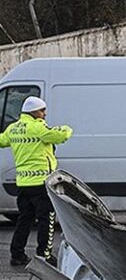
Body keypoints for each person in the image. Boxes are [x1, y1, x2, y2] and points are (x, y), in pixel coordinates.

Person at [0, 96, 72, 266]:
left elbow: (2, 140)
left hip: (23, 184)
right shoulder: (38, 127)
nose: (44, 114)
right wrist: (67, 129)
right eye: (42, 110)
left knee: (24, 219)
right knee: (46, 219)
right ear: (34, 112)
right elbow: (59, 136)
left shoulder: (14, 129)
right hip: (41, 183)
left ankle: (17, 254)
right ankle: (44, 255)